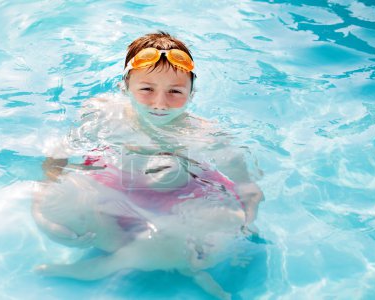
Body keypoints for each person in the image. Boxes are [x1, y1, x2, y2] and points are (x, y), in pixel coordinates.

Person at [33, 31, 263, 299]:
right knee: (61, 203)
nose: (160, 103)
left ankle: (114, 263)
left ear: (191, 93)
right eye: (147, 89)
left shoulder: (205, 135)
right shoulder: (102, 114)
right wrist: (42, 214)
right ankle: (162, 259)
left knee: (223, 223)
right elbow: (55, 164)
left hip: (180, 201)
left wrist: (228, 233)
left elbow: (248, 191)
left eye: (175, 91)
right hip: (114, 194)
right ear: (125, 85)